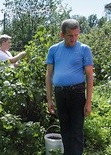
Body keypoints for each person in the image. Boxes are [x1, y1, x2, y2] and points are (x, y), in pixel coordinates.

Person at [45, 19, 93, 155]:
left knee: (76, 131)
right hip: (60, 94)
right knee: (65, 130)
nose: (74, 39)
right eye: (70, 35)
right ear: (62, 34)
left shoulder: (84, 49)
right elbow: (49, 75)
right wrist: (49, 99)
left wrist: (88, 102)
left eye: (76, 35)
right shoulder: (53, 50)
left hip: (76, 93)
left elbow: (89, 76)